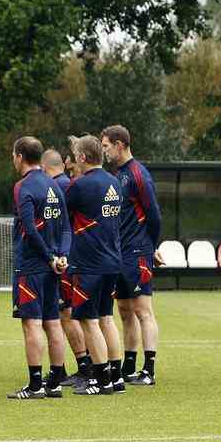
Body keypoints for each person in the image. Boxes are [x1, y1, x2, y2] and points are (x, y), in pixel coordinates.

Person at [6, 137, 71, 399]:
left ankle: (35, 386)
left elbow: (30, 230)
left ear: (20, 156)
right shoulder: (53, 185)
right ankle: (54, 383)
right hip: (53, 266)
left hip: (32, 266)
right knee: (53, 323)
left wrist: (47, 257)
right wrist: (61, 255)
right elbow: (67, 225)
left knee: (31, 324)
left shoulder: (23, 187)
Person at [62, 135, 125, 396]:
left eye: (77, 154)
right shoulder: (114, 183)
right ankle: (117, 377)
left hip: (89, 264)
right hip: (112, 262)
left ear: (83, 158)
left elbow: (64, 216)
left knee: (88, 321)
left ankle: (101, 381)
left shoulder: (79, 186)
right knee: (106, 318)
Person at [101, 125, 161, 386]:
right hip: (120, 252)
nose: (103, 151)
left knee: (142, 310)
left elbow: (154, 215)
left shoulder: (138, 174)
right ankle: (129, 364)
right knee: (124, 309)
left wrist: (150, 246)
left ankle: (149, 369)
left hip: (137, 252)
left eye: (105, 146)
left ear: (119, 145)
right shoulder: (119, 174)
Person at [48, 142, 91, 387]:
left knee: (68, 313)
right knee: (69, 314)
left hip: (68, 259)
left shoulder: (63, 187)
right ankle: (81, 366)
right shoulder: (67, 184)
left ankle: (85, 366)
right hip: (71, 257)